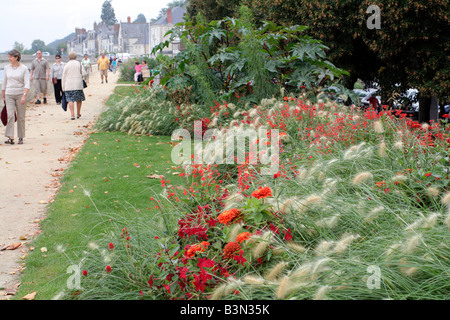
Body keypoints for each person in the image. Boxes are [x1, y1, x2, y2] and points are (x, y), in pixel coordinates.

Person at [1, 49, 30, 145]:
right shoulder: (6, 68)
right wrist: (3, 94)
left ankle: (21, 137)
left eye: (11, 57)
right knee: (10, 116)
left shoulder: (24, 68)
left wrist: (24, 96)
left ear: (16, 57)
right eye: (8, 57)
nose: (9, 58)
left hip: (20, 94)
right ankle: (10, 137)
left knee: (21, 117)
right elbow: (4, 82)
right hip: (9, 94)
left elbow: (27, 83)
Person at [62, 51, 86, 120]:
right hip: (78, 84)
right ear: (76, 57)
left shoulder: (66, 65)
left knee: (70, 100)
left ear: (69, 57)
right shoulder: (79, 64)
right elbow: (84, 73)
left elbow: (63, 77)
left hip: (69, 85)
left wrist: (63, 87)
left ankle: (72, 115)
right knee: (79, 99)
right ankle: (78, 113)